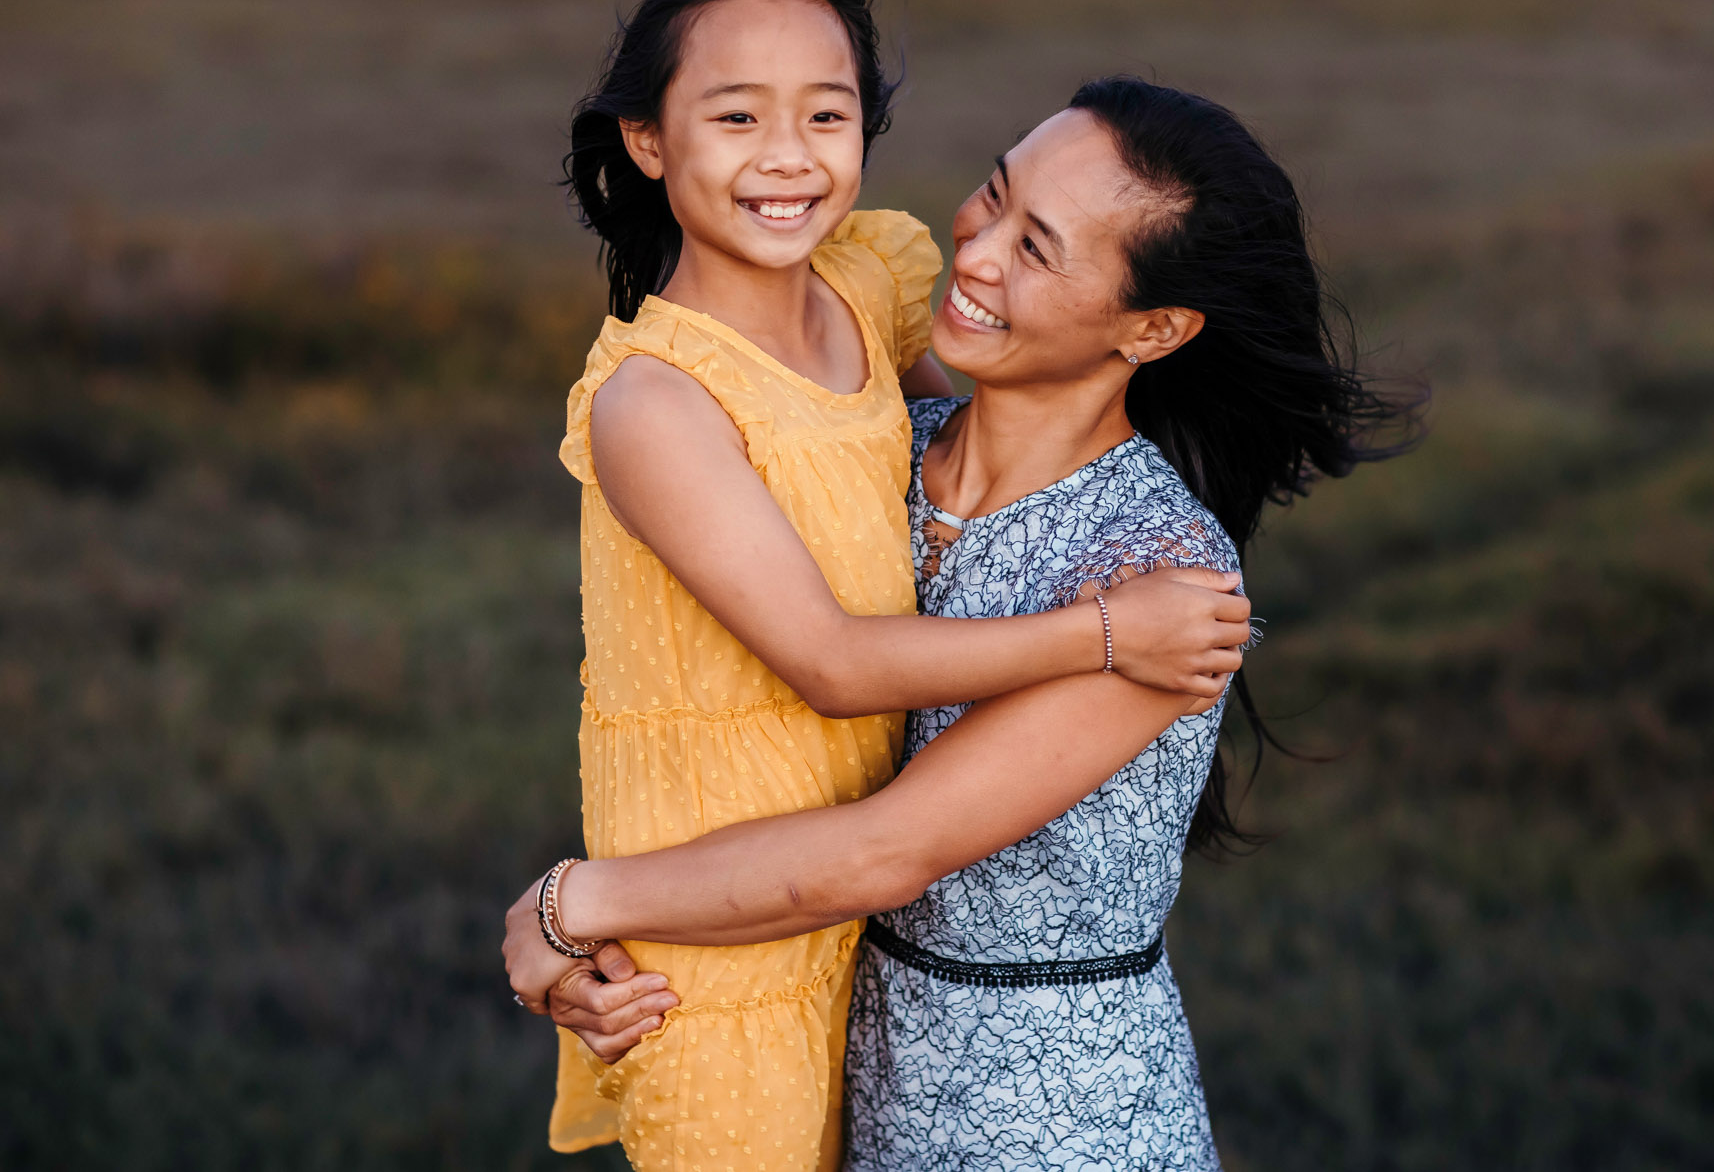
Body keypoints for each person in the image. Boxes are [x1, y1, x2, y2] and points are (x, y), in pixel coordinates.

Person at [511, 76, 1421, 1169]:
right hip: (857, 1080)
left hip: (1060, 1126)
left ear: (1155, 327)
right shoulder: (883, 452)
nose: (977, 253)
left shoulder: (1161, 586)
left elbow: (883, 850)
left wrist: (574, 902)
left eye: (1035, 249)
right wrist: (624, 953)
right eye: (992, 196)